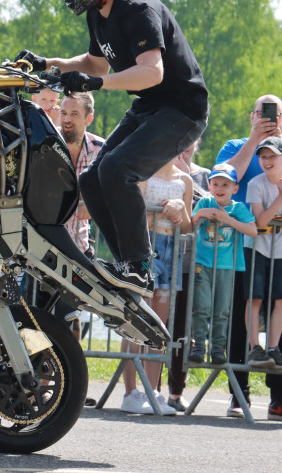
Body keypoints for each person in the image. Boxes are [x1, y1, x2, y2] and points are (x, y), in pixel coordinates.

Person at [15, 0, 208, 295]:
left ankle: (138, 266)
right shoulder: (99, 12)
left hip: (181, 109)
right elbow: (95, 63)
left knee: (118, 170)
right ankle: (126, 265)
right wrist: (48, 63)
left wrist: (92, 84)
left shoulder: (137, 8)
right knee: (91, 179)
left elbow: (153, 72)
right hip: (150, 106)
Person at [216, 94, 282, 423]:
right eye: (260, 113)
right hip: (240, 244)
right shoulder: (235, 145)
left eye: (273, 115)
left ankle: (279, 398)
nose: (267, 119)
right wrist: (255, 140)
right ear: (251, 116)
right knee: (243, 316)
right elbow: (228, 178)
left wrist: (281, 146)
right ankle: (237, 394)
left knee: (281, 315)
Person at [119, 157, 191, 416]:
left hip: (172, 250)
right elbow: (132, 213)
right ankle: (130, 392)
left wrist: (180, 207)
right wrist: (160, 209)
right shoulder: (144, 173)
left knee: (158, 325)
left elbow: (187, 225)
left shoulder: (185, 179)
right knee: (135, 320)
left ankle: (152, 391)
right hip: (146, 246)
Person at [243, 137, 282, 374]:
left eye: (272, 156)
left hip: (281, 248)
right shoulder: (256, 184)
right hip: (256, 246)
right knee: (255, 298)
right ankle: (254, 346)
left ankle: (273, 347)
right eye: (263, 156)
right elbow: (260, 221)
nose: (267, 161)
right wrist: (279, 196)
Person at [189, 164, 256, 366]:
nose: (220, 188)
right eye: (215, 183)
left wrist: (227, 219)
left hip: (227, 266)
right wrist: (201, 214)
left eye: (225, 184)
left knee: (221, 310)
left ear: (235, 188)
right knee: (202, 306)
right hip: (203, 263)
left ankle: (218, 348)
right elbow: (189, 224)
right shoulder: (204, 203)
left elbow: (253, 231)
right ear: (209, 186)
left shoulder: (238, 208)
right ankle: (198, 344)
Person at [166, 138, 211, 411]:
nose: (184, 146)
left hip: (189, 263)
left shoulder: (205, 175)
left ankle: (175, 391)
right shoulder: (156, 169)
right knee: (158, 326)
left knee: (183, 328)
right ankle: (153, 387)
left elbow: (210, 205)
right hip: (161, 261)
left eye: (189, 142)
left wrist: (187, 176)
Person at [58, 93, 104, 257]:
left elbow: (116, 192)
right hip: (43, 248)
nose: (66, 119)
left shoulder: (101, 150)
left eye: (74, 114)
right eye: (63, 113)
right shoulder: (44, 143)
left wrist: (95, 204)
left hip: (80, 247)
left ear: (89, 119)